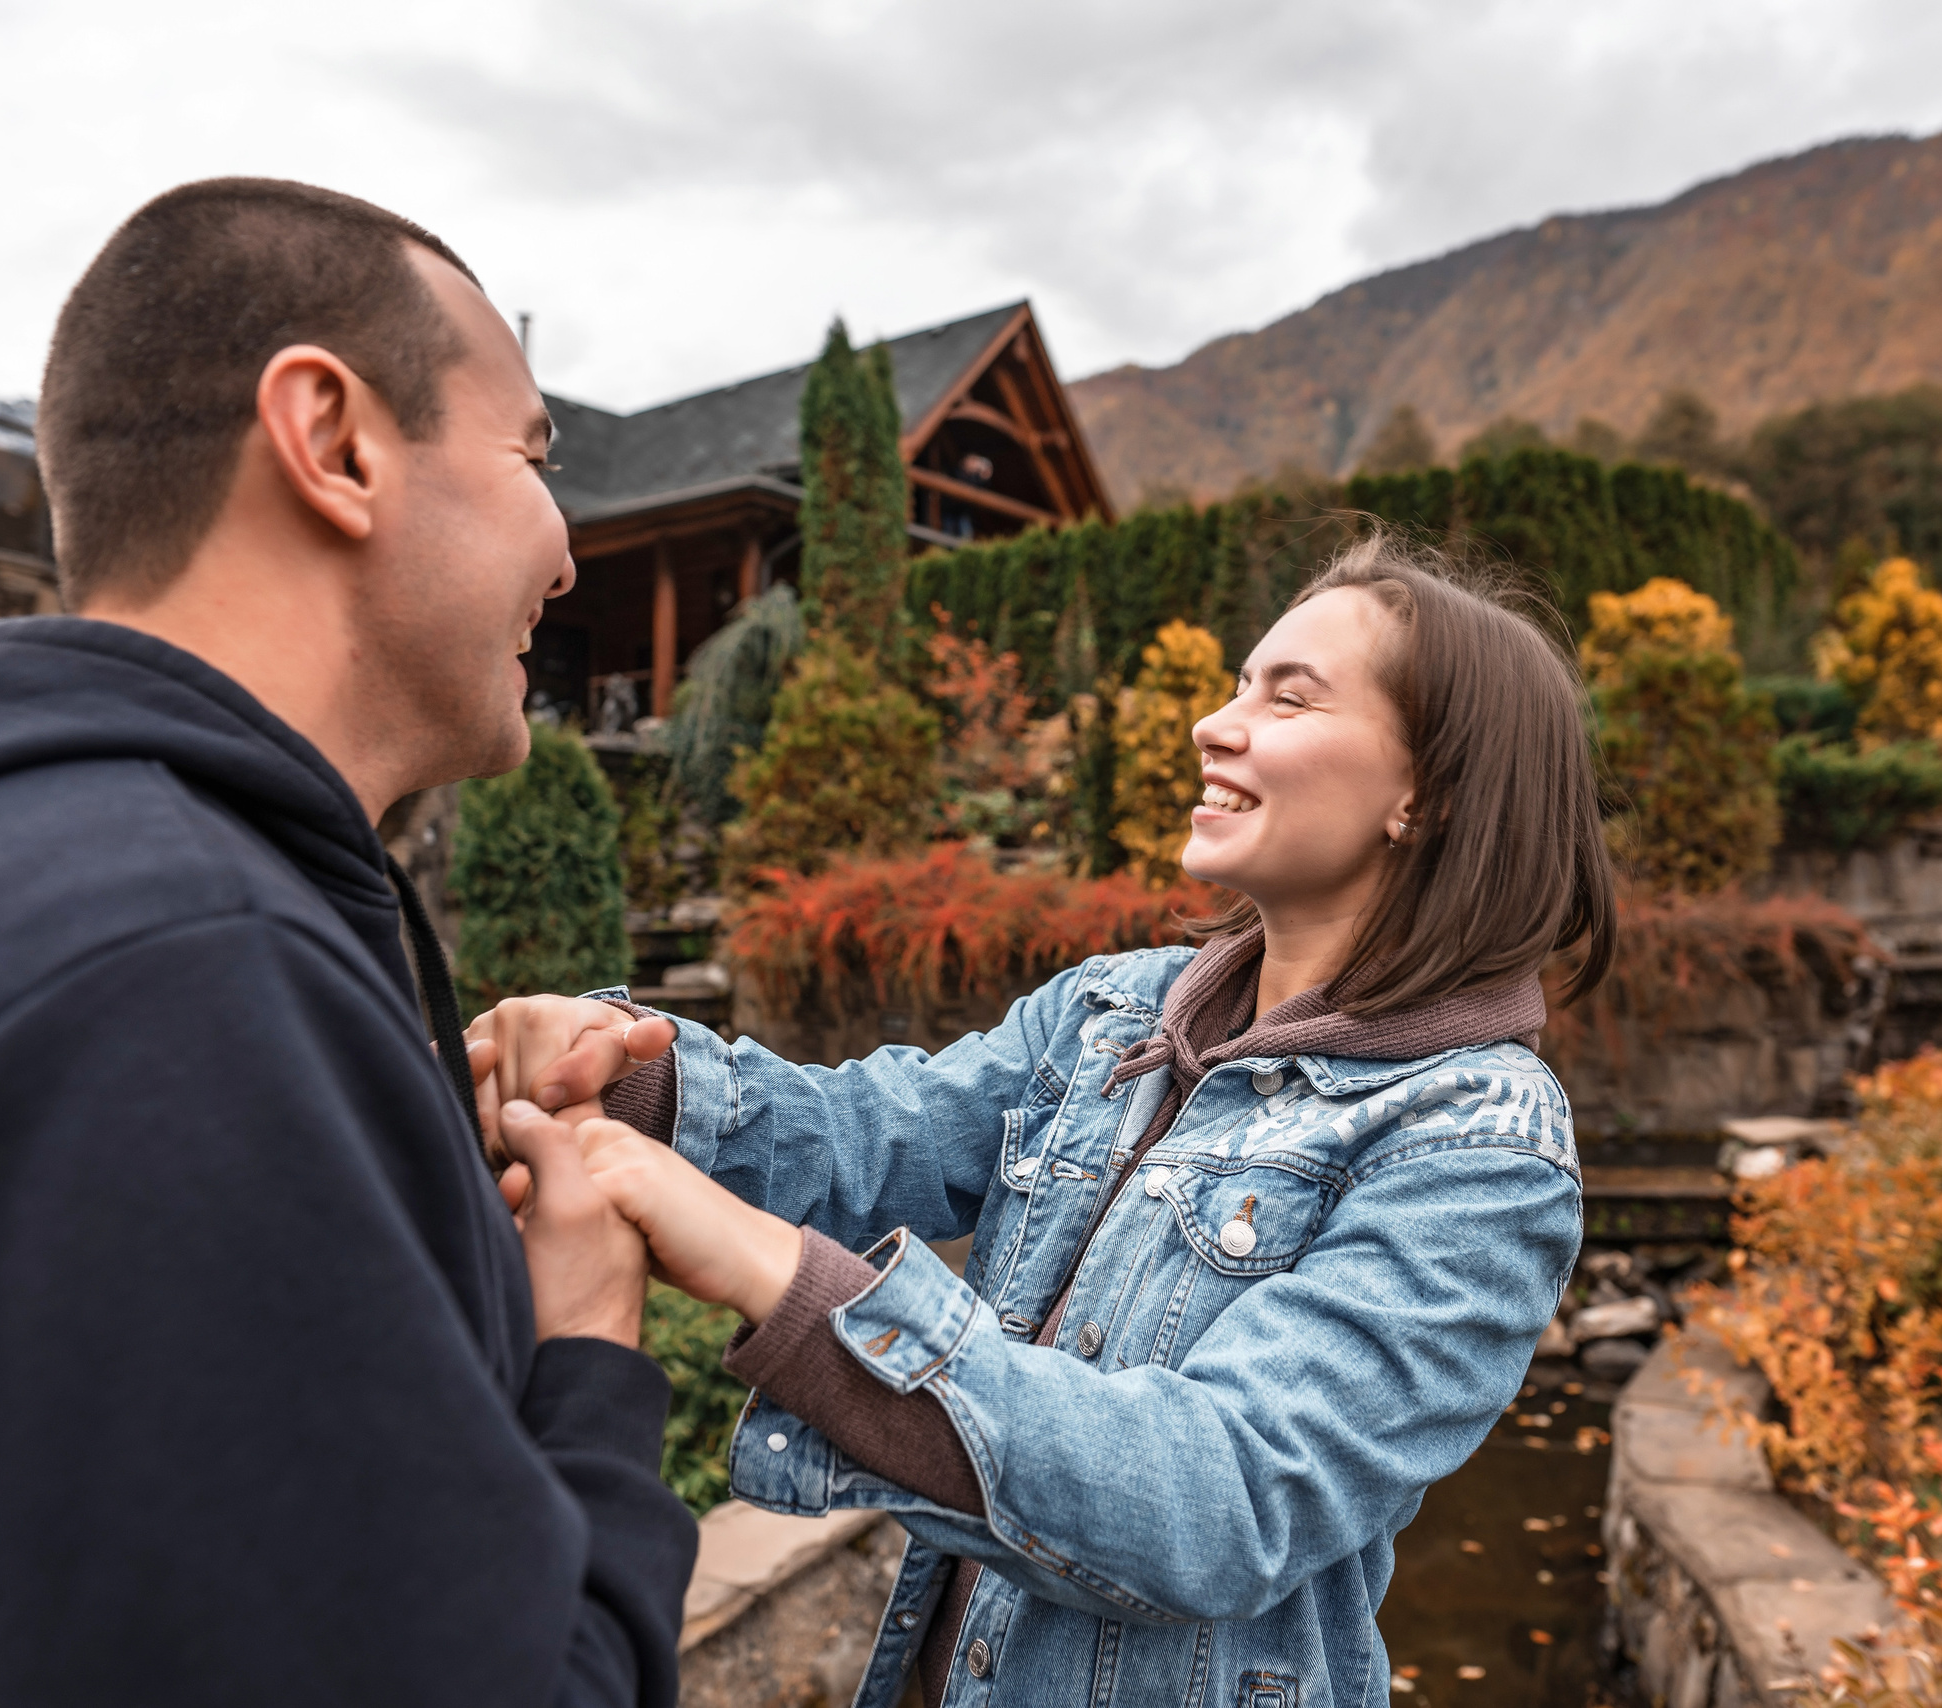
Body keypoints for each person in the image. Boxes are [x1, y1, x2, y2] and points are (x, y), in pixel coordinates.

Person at [0, 179, 696, 1708]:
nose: (570, 554)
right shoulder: (159, 991)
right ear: (333, 442)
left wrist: (361, 1170)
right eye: (535, 458)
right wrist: (585, 1344)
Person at [474, 537, 1618, 1708]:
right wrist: (630, 1077)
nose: (1214, 725)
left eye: (1289, 696)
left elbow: (1220, 1499)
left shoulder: (1477, 1142)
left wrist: (775, 1273)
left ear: (1426, 795)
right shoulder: (1111, 1010)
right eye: (1237, 683)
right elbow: (873, 1133)